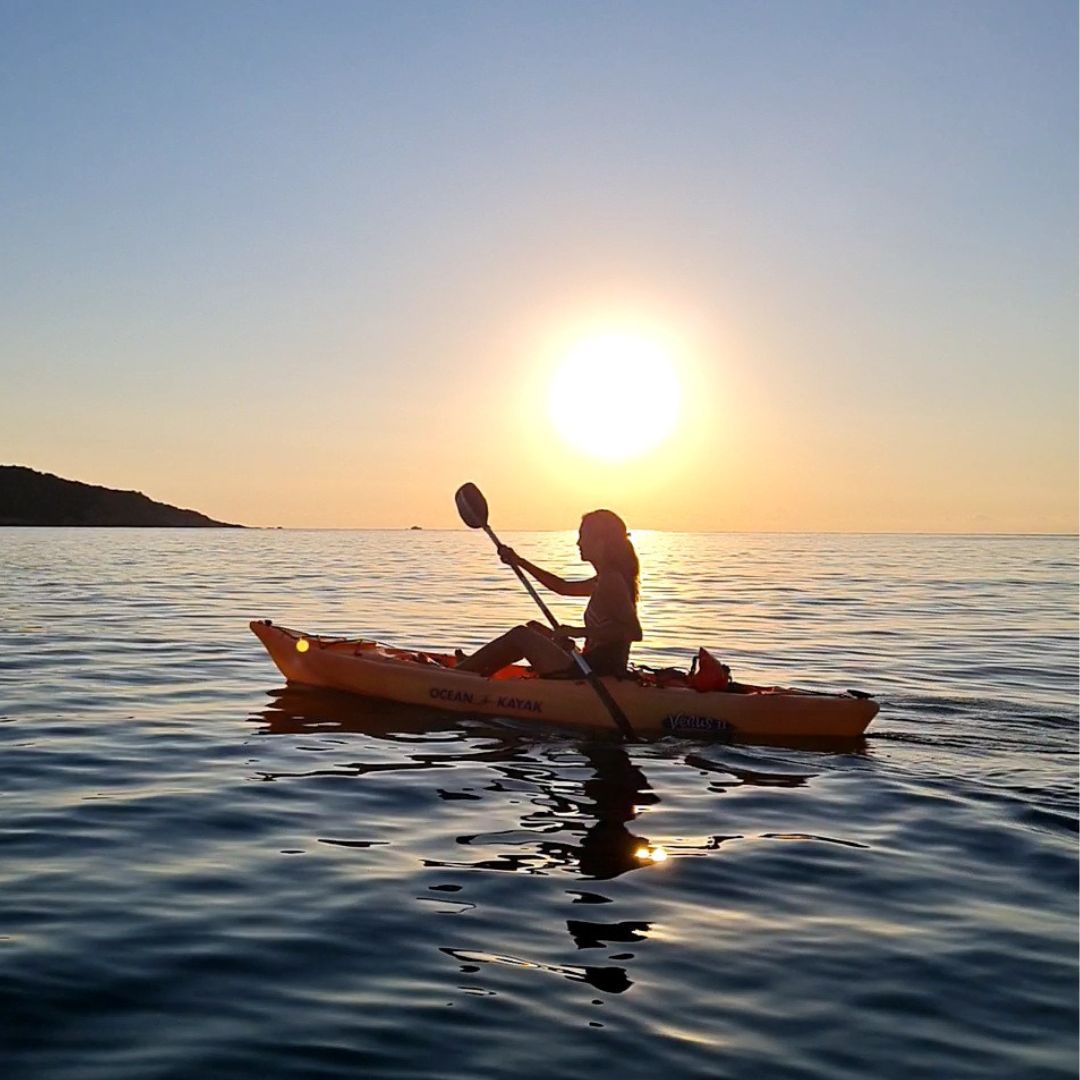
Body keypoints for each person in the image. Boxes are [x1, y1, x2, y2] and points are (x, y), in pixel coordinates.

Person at [455, 509, 643, 678]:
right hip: (589, 661)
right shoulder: (603, 579)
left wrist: (578, 632)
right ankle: (477, 665)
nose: (578, 543)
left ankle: (460, 675)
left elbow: (633, 632)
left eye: (582, 536)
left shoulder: (611, 580)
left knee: (521, 635)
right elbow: (561, 587)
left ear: (600, 541)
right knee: (534, 628)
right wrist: (519, 561)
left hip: (595, 670)